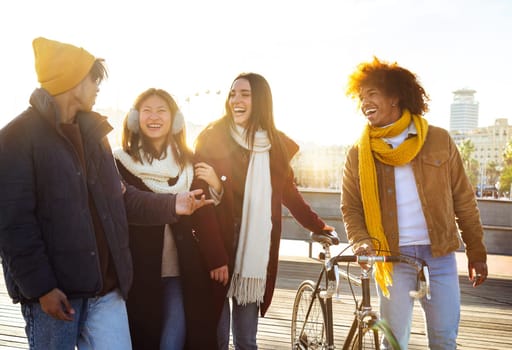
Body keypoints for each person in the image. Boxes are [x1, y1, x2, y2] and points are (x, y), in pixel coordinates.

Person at [0, 37, 212, 350]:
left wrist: (173, 204)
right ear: (71, 80)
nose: (98, 87)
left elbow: (120, 199)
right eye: (93, 78)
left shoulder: (96, 137)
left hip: (106, 289)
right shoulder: (16, 138)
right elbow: (14, 224)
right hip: (56, 295)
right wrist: (42, 288)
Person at [341, 57, 488, 349]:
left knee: (444, 338)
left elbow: (464, 199)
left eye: (372, 94)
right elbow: (352, 207)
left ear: (395, 96)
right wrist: (361, 241)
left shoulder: (438, 140)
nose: (364, 103)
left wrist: (476, 251)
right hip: (392, 258)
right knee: (393, 342)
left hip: (440, 256)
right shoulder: (358, 153)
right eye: (361, 97)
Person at [193, 72, 334, 349]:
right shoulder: (212, 138)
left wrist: (319, 227)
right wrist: (214, 256)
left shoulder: (274, 145)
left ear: (260, 100)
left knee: (247, 340)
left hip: (254, 253)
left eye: (245, 94)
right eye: (233, 93)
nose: (236, 100)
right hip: (218, 246)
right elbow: (202, 204)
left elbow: (288, 193)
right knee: (216, 339)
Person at [114, 88, 228, 349]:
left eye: (161, 111)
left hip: (181, 269)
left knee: (173, 340)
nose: (154, 117)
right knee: (143, 338)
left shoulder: (189, 162)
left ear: (175, 119)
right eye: (147, 111)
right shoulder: (119, 162)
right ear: (134, 119)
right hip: (137, 273)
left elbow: (204, 210)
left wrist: (217, 257)